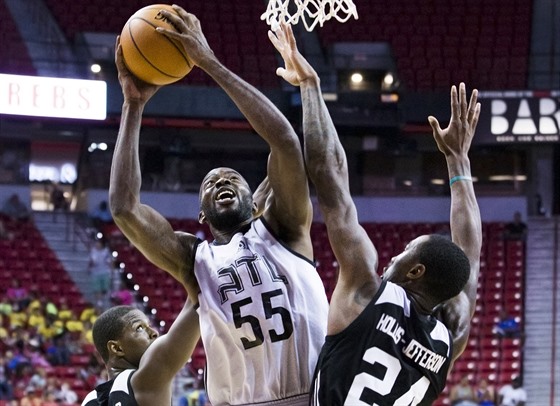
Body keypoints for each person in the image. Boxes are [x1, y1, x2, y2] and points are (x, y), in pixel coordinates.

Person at [108, 6, 328, 406]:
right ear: (202, 216)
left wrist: (208, 62)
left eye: (232, 179)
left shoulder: (285, 227)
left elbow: (284, 141)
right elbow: (124, 207)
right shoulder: (195, 260)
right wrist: (133, 105)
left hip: (314, 396)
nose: (222, 180)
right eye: (210, 183)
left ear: (257, 200)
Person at [269, 24, 482, 404]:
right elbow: (470, 257)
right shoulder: (450, 337)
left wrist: (310, 87)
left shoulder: (366, 292)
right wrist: (458, 163)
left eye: (404, 252)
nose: (394, 256)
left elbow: (331, 183)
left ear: (416, 271)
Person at [81, 300, 199, 406]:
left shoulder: (90, 400)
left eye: (150, 326)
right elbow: (196, 304)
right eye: (140, 328)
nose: (154, 333)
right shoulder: (143, 380)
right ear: (116, 348)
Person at [87, 238, 115, 308]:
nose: (97, 244)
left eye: (98, 243)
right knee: (97, 288)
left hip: (104, 272)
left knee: (105, 289)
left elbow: (110, 261)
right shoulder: (93, 251)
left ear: (102, 244)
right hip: (95, 273)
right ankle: (99, 301)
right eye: (96, 243)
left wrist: (112, 270)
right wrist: (89, 267)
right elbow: (91, 261)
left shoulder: (106, 252)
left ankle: (102, 298)